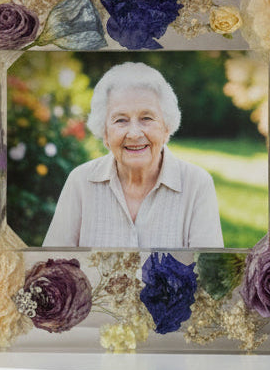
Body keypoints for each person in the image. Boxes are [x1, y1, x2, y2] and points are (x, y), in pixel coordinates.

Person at [43, 62, 224, 248]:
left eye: (147, 118)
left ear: (166, 128)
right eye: (121, 120)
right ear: (104, 133)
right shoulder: (80, 182)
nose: (134, 133)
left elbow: (208, 273)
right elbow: (52, 266)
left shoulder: (197, 184)